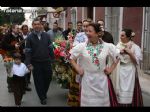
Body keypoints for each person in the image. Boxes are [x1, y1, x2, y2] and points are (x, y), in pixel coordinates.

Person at [69, 23, 120, 106]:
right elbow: (71, 58)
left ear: (97, 33)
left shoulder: (107, 46)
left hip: (101, 81)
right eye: (86, 31)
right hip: (87, 81)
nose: (87, 33)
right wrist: (78, 68)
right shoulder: (81, 46)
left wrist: (110, 69)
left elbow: (118, 56)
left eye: (90, 31)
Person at [25, 18, 53, 105]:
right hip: (35, 63)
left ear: (41, 25)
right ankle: (42, 97)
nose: (37, 25)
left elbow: (50, 48)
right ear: (33, 26)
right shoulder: (29, 37)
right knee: (38, 80)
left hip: (47, 61)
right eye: (35, 24)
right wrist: (28, 63)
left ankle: (43, 92)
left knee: (48, 78)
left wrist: (53, 59)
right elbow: (28, 51)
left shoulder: (46, 36)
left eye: (38, 24)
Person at [115, 29, 143, 106]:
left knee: (130, 88)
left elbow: (137, 61)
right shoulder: (118, 45)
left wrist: (130, 53)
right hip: (119, 70)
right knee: (119, 88)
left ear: (128, 37)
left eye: (122, 35)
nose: (120, 37)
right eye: (120, 35)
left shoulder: (135, 47)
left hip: (130, 70)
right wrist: (118, 52)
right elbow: (114, 57)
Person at [67, 19, 91, 107]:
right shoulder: (79, 35)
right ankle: (77, 101)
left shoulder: (94, 35)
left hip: (90, 62)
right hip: (79, 61)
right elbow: (74, 47)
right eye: (84, 26)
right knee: (78, 83)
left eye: (87, 26)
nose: (85, 28)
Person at [2, 24, 24, 93]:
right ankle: (10, 86)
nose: (18, 29)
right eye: (17, 28)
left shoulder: (20, 36)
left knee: (17, 71)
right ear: (13, 29)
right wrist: (13, 46)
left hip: (17, 56)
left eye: (18, 28)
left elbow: (22, 46)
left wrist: (22, 48)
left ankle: (17, 86)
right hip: (7, 56)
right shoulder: (7, 36)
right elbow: (3, 46)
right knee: (10, 72)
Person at [21, 25, 32, 91]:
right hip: (22, 55)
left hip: (29, 55)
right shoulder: (20, 36)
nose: (25, 30)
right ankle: (25, 84)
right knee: (23, 69)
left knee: (29, 68)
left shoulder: (30, 36)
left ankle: (27, 80)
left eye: (26, 29)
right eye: (24, 29)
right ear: (22, 30)